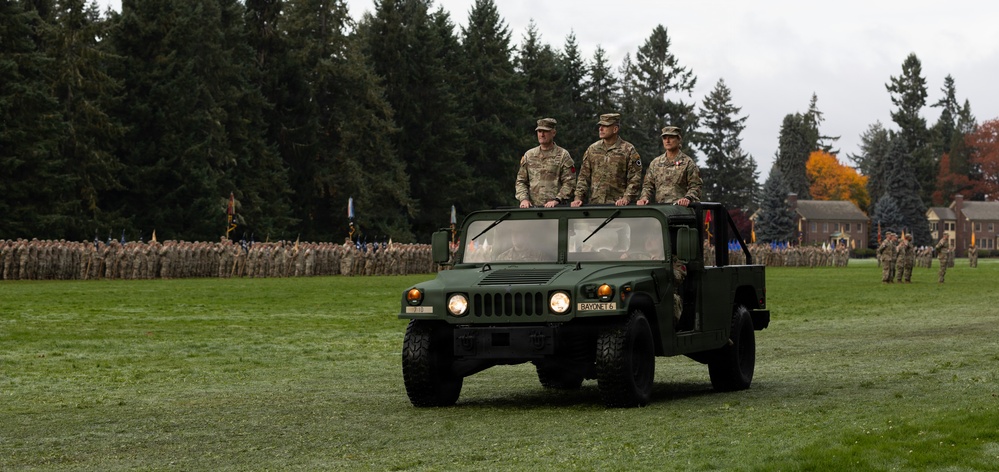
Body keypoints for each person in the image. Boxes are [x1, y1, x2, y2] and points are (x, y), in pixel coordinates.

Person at [571, 113, 642, 207]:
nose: (600, 129)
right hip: (596, 205)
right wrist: (578, 198)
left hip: (619, 207)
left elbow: (635, 178)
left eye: (605, 126)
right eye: (600, 126)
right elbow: (583, 177)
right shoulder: (592, 149)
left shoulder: (628, 150)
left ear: (615, 129)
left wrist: (626, 198)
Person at [515, 118, 576, 208]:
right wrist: (524, 199)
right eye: (539, 131)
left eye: (545, 131)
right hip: (532, 208)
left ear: (553, 133)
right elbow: (521, 181)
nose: (542, 135)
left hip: (556, 209)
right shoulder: (529, 155)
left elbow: (569, 182)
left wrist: (557, 200)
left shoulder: (563, 155)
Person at [636, 126, 702, 207]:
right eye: (664, 138)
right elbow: (648, 186)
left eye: (671, 138)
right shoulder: (656, 163)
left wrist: (687, 198)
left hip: (681, 210)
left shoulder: (688, 163)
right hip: (661, 210)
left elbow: (696, 186)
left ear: (678, 139)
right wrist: (644, 198)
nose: (667, 141)